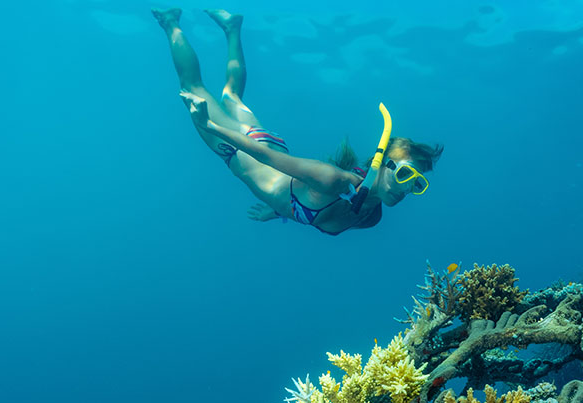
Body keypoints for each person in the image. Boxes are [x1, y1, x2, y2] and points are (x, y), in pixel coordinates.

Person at [153, 8, 442, 236]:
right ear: (384, 164)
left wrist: (276, 210)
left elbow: (301, 201)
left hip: (266, 150)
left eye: (417, 184)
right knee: (193, 87)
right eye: (404, 175)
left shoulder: (372, 216)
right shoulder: (335, 180)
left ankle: (231, 28)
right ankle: (171, 21)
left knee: (231, 96)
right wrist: (210, 126)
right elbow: (266, 157)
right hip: (244, 151)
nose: (406, 189)